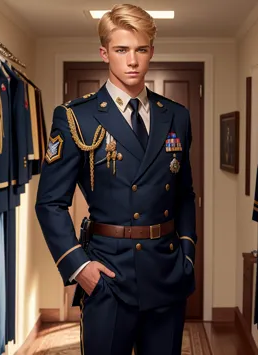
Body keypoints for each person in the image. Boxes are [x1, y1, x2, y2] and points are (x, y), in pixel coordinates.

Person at [35, 4, 197, 355]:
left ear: (151, 51)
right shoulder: (77, 117)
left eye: (140, 49)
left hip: (166, 269)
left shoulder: (177, 116)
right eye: (122, 50)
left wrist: (187, 253)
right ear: (104, 53)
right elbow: (50, 202)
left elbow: (184, 193)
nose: (132, 61)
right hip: (107, 273)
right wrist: (80, 267)